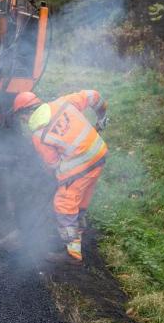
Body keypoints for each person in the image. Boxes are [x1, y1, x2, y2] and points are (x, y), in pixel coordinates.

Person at [13, 90, 109, 263]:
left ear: (26, 113)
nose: (24, 121)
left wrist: (56, 179)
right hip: (99, 154)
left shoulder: (39, 135)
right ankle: (79, 230)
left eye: (22, 118)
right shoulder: (63, 102)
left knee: (64, 205)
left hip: (78, 169)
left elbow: (52, 164)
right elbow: (93, 96)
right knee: (80, 200)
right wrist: (102, 115)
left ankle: (73, 254)